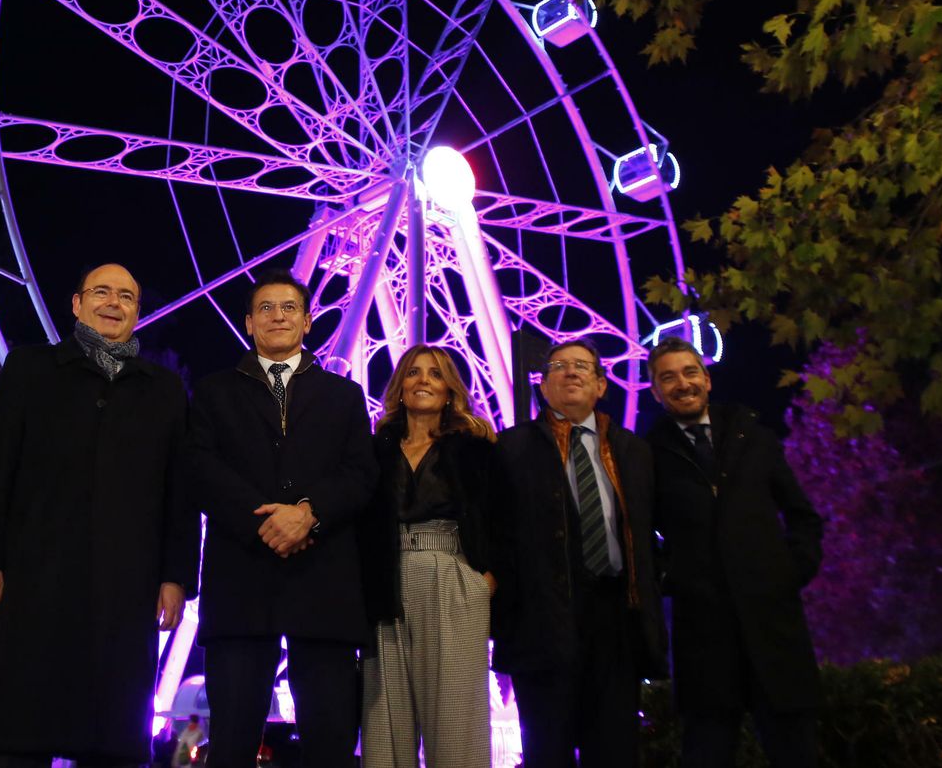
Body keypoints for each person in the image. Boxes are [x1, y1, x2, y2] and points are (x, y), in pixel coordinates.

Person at [0, 263, 200, 768]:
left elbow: (180, 492)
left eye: (126, 297)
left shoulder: (164, 389)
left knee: (110, 738)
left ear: (138, 312)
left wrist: (176, 577)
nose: (113, 303)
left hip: (124, 588)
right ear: (76, 303)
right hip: (32, 579)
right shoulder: (30, 369)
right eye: (101, 292)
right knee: (16, 734)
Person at [188, 269, 378, 768]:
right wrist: (265, 524)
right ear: (249, 323)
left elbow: (361, 475)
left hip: (323, 583)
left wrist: (309, 514)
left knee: (330, 739)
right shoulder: (212, 393)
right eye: (266, 308)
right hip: (241, 581)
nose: (278, 316)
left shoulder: (344, 395)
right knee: (231, 740)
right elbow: (202, 470)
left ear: (308, 321)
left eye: (289, 307)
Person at [645, 338, 823, 768]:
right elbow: (637, 533)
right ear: (655, 391)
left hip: (772, 627)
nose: (682, 384)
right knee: (707, 750)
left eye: (689, 372)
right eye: (668, 377)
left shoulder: (754, 438)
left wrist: (787, 573)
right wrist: (673, 578)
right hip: (703, 635)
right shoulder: (647, 455)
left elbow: (802, 515)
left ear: (707, 378)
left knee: (794, 750)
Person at [491, 339, 665, 768]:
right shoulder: (510, 449)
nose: (571, 372)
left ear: (602, 385)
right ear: (543, 385)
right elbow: (493, 535)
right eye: (559, 366)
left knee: (615, 748)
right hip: (543, 620)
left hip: (616, 619)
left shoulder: (634, 452)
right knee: (548, 748)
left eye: (582, 366)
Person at [358, 345, 507, 768]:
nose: (423, 380)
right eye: (414, 372)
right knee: (385, 722)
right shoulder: (374, 452)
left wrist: (486, 580)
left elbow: (505, 519)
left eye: (436, 374)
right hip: (386, 580)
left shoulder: (476, 450)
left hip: (451, 572)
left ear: (450, 391)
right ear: (400, 387)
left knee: (455, 720)